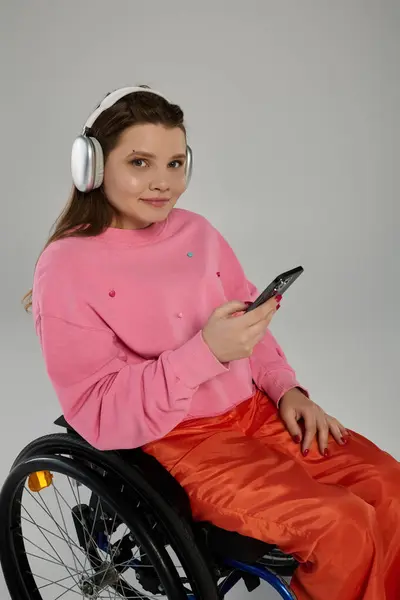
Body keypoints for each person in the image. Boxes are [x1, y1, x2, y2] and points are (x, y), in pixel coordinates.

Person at [25, 86, 400, 600]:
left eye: (176, 163)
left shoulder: (197, 233)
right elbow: (97, 409)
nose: (163, 182)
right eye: (140, 162)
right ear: (91, 166)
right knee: (344, 525)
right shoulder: (66, 268)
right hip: (182, 443)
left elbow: (249, 325)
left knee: (390, 485)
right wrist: (205, 353)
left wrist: (288, 390)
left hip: (256, 412)